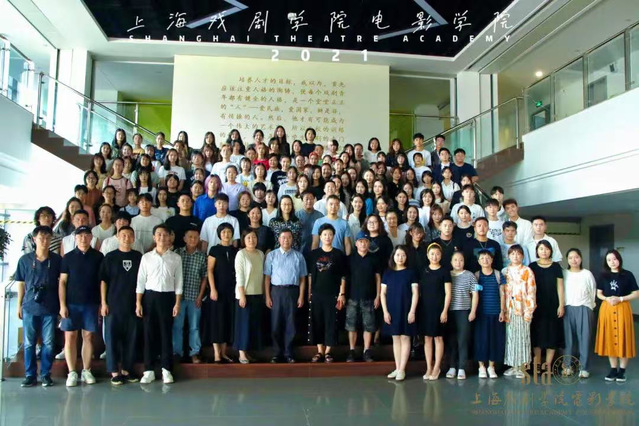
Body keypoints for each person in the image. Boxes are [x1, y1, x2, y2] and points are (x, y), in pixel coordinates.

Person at [136, 224, 184, 384]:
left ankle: (166, 369)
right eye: (159, 234)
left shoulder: (176, 258)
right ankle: (148, 370)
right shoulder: (146, 257)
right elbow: (140, 281)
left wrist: (177, 303)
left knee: (166, 333)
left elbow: (179, 282)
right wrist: (138, 302)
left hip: (168, 298)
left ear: (170, 237)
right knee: (149, 333)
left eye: (165, 234)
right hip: (149, 297)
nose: (162, 237)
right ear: (154, 237)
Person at [15, 226, 61, 387]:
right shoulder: (24, 260)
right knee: (29, 343)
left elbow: (62, 283)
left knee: (49, 342)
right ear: (34, 239)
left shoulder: (57, 260)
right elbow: (21, 284)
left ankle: (46, 374)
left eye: (48, 238)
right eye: (41, 238)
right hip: (29, 306)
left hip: (50, 306)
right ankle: (30, 375)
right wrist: (19, 305)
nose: (44, 241)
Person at [59, 225, 104, 387]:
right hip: (71, 303)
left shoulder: (98, 257)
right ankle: (72, 372)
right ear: (75, 238)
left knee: (88, 336)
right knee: (70, 336)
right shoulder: (68, 257)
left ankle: (86, 370)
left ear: (91, 238)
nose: (83, 239)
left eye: (86, 235)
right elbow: (62, 282)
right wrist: (62, 305)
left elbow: (102, 282)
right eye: (80, 236)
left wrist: (102, 303)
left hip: (91, 303)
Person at [99, 226, 143, 385]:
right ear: (117, 236)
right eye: (123, 235)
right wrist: (103, 302)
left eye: (130, 235)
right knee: (112, 338)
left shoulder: (138, 257)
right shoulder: (110, 257)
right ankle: (114, 371)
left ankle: (127, 369)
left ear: (133, 238)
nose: (126, 238)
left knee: (131, 337)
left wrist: (139, 303)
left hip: (133, 304)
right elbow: (103, 281)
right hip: (113, 304)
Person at [264, 229, 308, 363]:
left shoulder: (299, 256)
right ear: (279, 239)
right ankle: (277, 353)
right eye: (283, 237)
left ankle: (289, 353)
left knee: (291, 323)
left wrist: (301, 296)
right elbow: (267, 278)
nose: (286, 240)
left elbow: (302, 278)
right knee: (275, 323)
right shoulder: (271, 255)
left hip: (293, 292)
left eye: (289, 237)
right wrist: (267, 296)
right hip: (276, 292)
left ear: (292, 239)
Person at [595, 249, 638, 383]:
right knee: (610, 337)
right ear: (606, 262)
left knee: (623, 337)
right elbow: (599, 293)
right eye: (609, 260)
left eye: (614, 259)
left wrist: (620, 299)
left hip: (622, 308)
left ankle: (622, 370)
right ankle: (613, 369)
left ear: (619, 259)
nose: (612, 262)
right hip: (607, 308)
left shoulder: (627, 275)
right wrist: (607, 299)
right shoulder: (603, 276)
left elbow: (636, 293)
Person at [308, 224, 347, 363]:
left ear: (333, 236)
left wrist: (342, 293)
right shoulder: (314, 254)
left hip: (333, 294)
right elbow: (310, 275)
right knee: (317, 322)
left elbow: (343, 276)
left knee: (331, 322)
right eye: (325, 234)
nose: (327, 237)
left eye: (330, 234)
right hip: (317, 293)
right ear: (320, 236)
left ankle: (328, 352)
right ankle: (320, 351)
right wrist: (309, 292)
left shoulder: (338, 254)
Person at [381, 246, 419, 382]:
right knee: (395, 338)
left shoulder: (411, 273)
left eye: (403, 255)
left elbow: (415, 293)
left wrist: (412, 311)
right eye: (397, 255)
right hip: (392, 309)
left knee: (405, 338)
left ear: (407, 257)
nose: (400, 258)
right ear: (393, 256)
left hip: (406, 309)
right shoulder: (388, 273)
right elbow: (382, 294)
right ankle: (397, 368)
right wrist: (385, 311)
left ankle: (402, 369)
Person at [171, 227, 207, 364]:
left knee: (194, 327)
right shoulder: (177, 253)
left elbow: (204, 278)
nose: (193, 239)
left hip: (194, 297)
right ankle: (177, 352)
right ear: (184, 238)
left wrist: (200, 296)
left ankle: (194, 352)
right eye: (190, 237)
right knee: (177, 326)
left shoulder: (202, 256)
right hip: (178, 298)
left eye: (196, 237)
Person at [529, 240, 565, 375]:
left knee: (552, 334)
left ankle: (548, 365)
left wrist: (561, 304)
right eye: (541, 249)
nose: (544, 251)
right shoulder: (532, 266)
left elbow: (560, 287)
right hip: (536, 305)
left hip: (553, 305)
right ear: (537, 251)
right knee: (537, 335)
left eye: (546, 249)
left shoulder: (556, 267)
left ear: (551, 251)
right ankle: (537, 364)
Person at [418, 243, 452, 381]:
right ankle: (429, 367)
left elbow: (448, 293)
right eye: (432, 254)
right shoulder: (423, 270)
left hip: (439, 309)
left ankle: (437, 367)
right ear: (427, 255)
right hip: (425, 309)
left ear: (441, 255)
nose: (434, 256)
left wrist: (445, 311)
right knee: (427, 338)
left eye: (437, 254)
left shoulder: (444, 271)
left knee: (438, 338)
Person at [346, 231, 381, 363]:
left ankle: (367, 350)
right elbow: (345, 278)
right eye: (360, 241)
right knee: (351, 325)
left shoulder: (374, 259)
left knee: (369, 325)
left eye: (366, 241)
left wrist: (378, 296)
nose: (363, 244)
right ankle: (352, 350)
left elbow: (378, 279)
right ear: (356, 243)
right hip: (352, 297)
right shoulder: (350, 259)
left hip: (369, 297)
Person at [503, 245, 537, 379]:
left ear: (522, 256)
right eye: (512, 254)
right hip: (509, 309)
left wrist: (529, 311)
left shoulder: (527, 271)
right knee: (511, 338)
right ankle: (513, 366)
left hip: (523, 309)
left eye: (518, 254)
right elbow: (502, 291)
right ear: (508, 256)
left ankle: (523, 367)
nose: (515, 256)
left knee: (523, 338)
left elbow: (532, 291)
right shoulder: (505, 271)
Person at [207, 223, 239, 363]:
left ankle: (224, 352)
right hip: (217, 290)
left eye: (229, 232)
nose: (226, 234)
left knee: (228, 320)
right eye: (224, 232)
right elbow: (210, 270)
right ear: (219, 234)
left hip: (232, 291)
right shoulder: (214, 249)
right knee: (217, 321)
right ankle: (216, 354)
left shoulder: (236, 250)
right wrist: (213, 289)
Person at [562, 248, 596, 378]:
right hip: (567, 308)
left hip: (584, 307)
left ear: (581, 258)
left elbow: (592, 291)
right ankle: (567, 366)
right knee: (568, 340)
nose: (574, 260)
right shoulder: (564, 273)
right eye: (570, 258)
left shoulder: (587, 274)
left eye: (576, 257)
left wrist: (590, 306)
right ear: (567, 260)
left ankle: (584, 368)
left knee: (584, 338)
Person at [445, 251, 478, 380]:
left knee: (463, 340)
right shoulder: (447, 274)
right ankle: (452, 366)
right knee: (451, 340)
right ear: (451, 262)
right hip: (449, 311)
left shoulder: (470, 275)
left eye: (461, 260)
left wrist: (473, 311)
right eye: (455, 260)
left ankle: (462, 367)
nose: (458, 263)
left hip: (464, 311)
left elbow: (475, 294)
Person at [234, 229, 265, 363]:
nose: (251, 240)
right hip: (244, 295)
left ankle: (249, 352)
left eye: (254, 237)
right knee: (244, 325)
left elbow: (263, 275)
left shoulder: (261, 254)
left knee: (253, 325)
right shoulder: (241, 254)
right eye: (248, 238)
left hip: (258, 294)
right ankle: (241, 353)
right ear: (244, 240)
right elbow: (239, 276)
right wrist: (242, 295)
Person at [474, 250, 506, 379]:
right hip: (480, 314)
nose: (485, 260)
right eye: (482, 258)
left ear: (492, 260)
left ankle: (491, 367)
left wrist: (502, 310)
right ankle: (481, 366)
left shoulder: (498, 274)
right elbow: (473, 295)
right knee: (481, 340)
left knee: (494, 340)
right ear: (478, 261)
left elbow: (503, 294)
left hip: (495, 313)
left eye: (487, 258)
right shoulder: (476, 276)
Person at [295, 191, 324, 256]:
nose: (309, 201)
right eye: (307, 199)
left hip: (317, 249)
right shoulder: (296, 215)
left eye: (311, 199)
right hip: (300, 250)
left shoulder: (320, 216)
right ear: (302, 200)